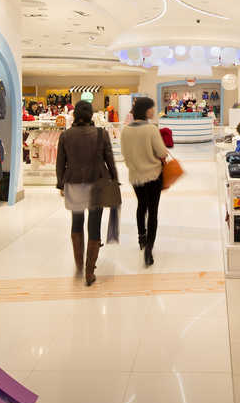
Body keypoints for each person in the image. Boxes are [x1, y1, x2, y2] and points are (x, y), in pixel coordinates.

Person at [56, 100, 118, 286]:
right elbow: (109, 159)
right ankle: (89, 272)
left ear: (75, 116)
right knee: (94, 224)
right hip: (97, 182)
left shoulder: (66, 136)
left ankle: (79, 264)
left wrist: (60, 184)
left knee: (76, 222)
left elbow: (60, 163)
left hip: (74, 183)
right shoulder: (101, 134)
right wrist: (114, 179)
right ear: (91, 115)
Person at [120, 97, 168, 267]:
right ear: (146, 110)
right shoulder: (151, 129)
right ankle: (149, 249)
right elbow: (162, 151)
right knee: (153, 211)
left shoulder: (125, 130)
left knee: (141, 206)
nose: (153, 111)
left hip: (135, 175)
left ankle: (141, 238)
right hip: (154, 175)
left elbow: (124, 154)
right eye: (151, 108)